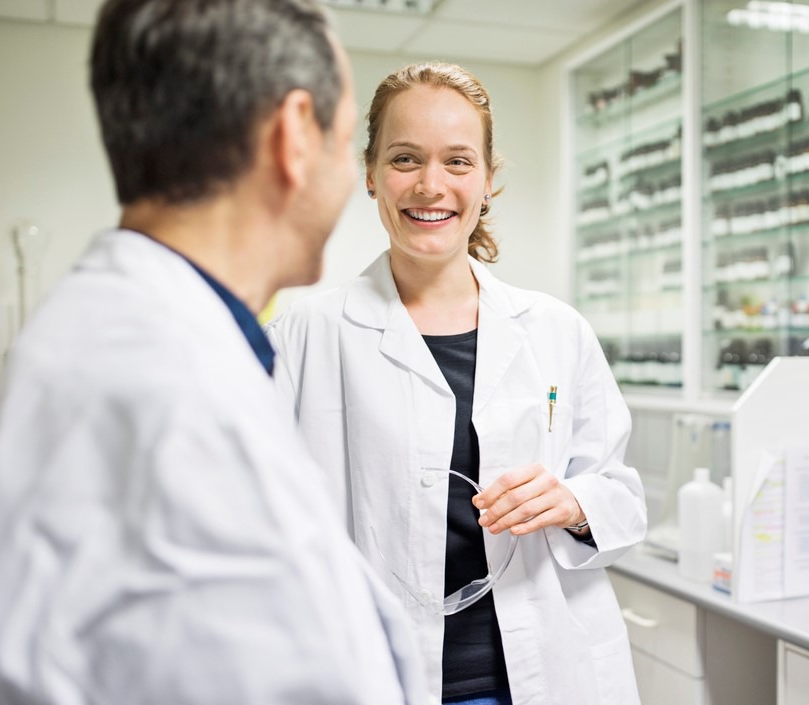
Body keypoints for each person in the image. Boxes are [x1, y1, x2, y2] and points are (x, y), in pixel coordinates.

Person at [0, 1, 425, 703]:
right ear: (293, 139)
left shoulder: (138, 337)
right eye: (346, 145)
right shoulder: (164, 384)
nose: (349, 181)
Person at [266, 62, 647, 705]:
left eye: (459, 162)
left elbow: (620, 494)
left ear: (490, 179)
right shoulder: (306, 334)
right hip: (370, 672)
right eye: (405, 158)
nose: (430, 185)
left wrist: (575, 503)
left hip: (539, 670)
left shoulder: (556, 330)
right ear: (370, 173)